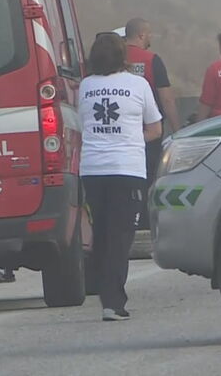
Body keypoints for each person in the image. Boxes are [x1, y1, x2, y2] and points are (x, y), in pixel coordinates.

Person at [79, 32, 163, 321]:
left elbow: (82, 126)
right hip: (127, 169)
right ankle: (113, 301)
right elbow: (155, 129)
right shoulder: (138, 85)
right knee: (120, 236)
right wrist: (131, 138)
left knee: (101, 234)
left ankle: (103, 292)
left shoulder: (85, 86)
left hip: (92, 170)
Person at [123, 18, 179, 207]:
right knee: (148, 177)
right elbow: (167, 98)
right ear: (141, 35)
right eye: (149, 34)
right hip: (148, 132)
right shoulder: (152, 60)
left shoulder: (112, 58)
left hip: (117, 130)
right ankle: (144, 217)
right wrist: (177, 129)